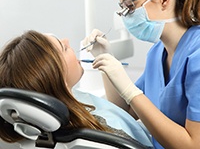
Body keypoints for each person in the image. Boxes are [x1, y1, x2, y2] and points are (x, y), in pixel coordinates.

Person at [82, 0, 200, 149]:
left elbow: (194, 144)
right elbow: (126, 109)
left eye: (130, 5)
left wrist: (130, 90)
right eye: (122, 8)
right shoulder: (156, 54)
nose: (125, 16)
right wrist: (105, 59)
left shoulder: (197, 54)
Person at [0, 30, 152, 148]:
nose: (67, 40)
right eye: (64, 47)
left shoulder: (65, 106)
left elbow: (117, 114)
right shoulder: (97, 133)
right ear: (58, 78)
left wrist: (106, 59)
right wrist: (130, 91)